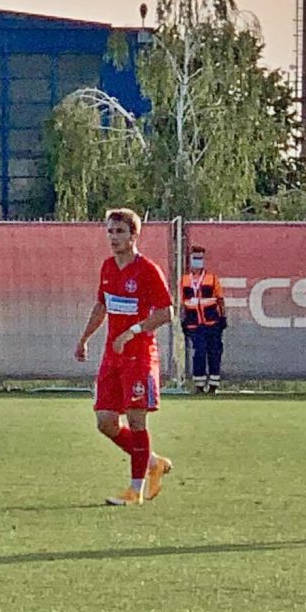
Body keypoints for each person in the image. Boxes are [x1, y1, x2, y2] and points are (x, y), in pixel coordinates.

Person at [74, 209, 175, 507]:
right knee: (105, 422)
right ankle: (153, 462)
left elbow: (166, 313)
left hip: (140, 356)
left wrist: (133, 331)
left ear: (134, 235)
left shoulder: (147, 270)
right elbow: (101, 306)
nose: (114, 238)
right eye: (110, 232)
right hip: (112, 356)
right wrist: (84, 338)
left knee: (136, 418)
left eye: (119, 232)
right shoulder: (107, 267)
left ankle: (135, 490)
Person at [179, 246, 228, 394]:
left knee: (214, 352)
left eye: (200, 258)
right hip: (194, 323)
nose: (197, 262)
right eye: (195, 258)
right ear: (190, 260)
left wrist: (223, 317)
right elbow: (182, 302)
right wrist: (183, 320)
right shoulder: (184, 280)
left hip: (212, 321)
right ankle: (199, 384)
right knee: (199, 352)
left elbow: (220, 299)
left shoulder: (212, 278)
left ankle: (214, 384)